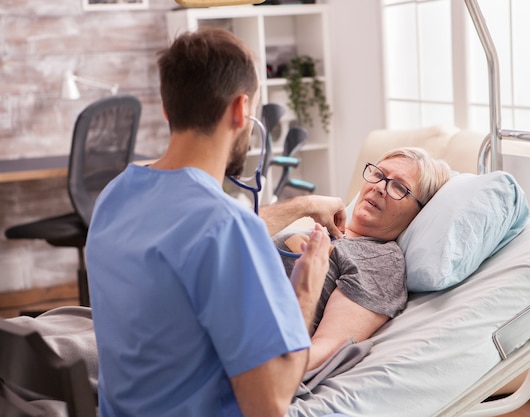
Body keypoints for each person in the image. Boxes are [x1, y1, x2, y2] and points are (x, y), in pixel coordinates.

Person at [85, 27, 344, 417]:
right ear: (241, 110)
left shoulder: (114, 196)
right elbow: (269, 403)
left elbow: (190, 230)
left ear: (166, 108)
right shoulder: (228, 227)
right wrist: (306, 289)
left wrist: (303, 206)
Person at [274, 147, 452, 372]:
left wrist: (263, 372)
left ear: (419, 212)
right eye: (378, 174)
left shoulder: (380, 262)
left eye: (399, 187)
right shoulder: (326, 230)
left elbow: (325, 350)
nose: (379, 187)